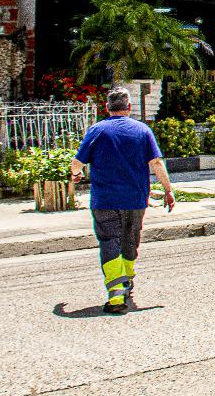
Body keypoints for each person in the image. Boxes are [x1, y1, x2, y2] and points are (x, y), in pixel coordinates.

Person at [70, 86, 175, 315]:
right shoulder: (143, 130)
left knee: (110, 242)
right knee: (130, 241)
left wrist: (76, 175)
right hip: (135, 199)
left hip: (105, 201)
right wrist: (168, 190)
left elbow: (77, 163)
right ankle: (126, 280)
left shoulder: (97, 130)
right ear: (129, 107)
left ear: (107, 107)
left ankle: (116, 296)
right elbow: (157, 163)